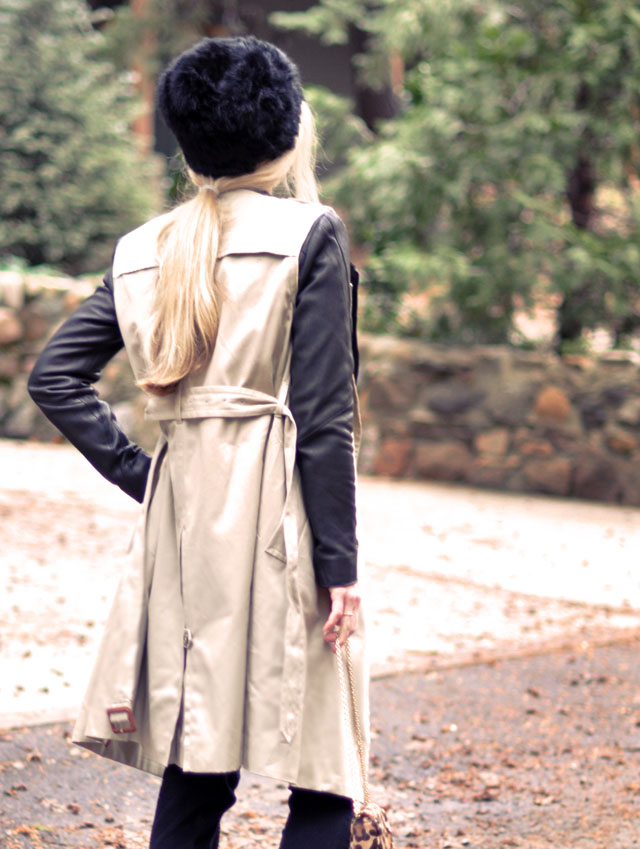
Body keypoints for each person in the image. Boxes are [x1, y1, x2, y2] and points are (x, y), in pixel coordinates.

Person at [28, 35, 367, 849]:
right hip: (284, 518)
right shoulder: (310, 233)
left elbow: (53, 377)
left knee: (196, 764)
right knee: (325, 775)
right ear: (286, 135)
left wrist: (147, 476)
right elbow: (325, 420)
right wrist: (342, 567)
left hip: (182, 524)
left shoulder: (142, 249)